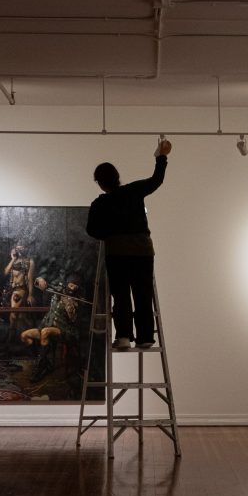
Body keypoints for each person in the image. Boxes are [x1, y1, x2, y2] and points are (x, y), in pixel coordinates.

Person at [87, 139, 171, 350]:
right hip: (142, 251)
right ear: (117, 177)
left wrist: (110, 233)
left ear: (100, 182)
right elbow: (156, 180)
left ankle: (124, 336)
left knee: (121, 294)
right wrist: (161, 157)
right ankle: (145, 337)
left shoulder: (99, 204)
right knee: (143, 293)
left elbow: (92, 230)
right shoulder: (134, 191)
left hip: (117, 253)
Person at [21, 274, 83, 382]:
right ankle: (44, 362)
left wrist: (70, 307)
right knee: (24, 335)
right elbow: (38, 284)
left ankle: (39, 369)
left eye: (75, 287)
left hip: (65, 330)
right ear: (67, 283)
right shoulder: (58, 290)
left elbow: (73, 320)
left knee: (45, 332)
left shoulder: (76, 300)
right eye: (71, 285)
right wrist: (39, 279)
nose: (72, 288)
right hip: (47, 325)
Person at [3, 241, 35, 333]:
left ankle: (11, 336)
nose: (20, 249)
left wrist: (30, 294)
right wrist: (12, 259)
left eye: (22, 247)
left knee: (13, 315)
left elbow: (30, 279)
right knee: (19, 316)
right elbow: (5, 272)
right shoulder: (14, 260)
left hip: (20, 290)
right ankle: (20, 334)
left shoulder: (29, 261)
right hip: (11, 289)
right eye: (18, 247)